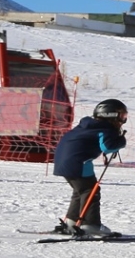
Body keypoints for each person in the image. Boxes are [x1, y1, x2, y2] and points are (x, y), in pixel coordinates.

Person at [51, 99, 128, 237]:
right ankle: (91, 225)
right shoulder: (105, 128)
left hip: (64, 162)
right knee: (90, 190)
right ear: (110, 115)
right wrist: (121, 141)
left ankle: (72, 222)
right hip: (77, 163)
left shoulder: (89, 125)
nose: (123, 121)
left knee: (80, 191)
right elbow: (108, 147)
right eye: (121, 116)